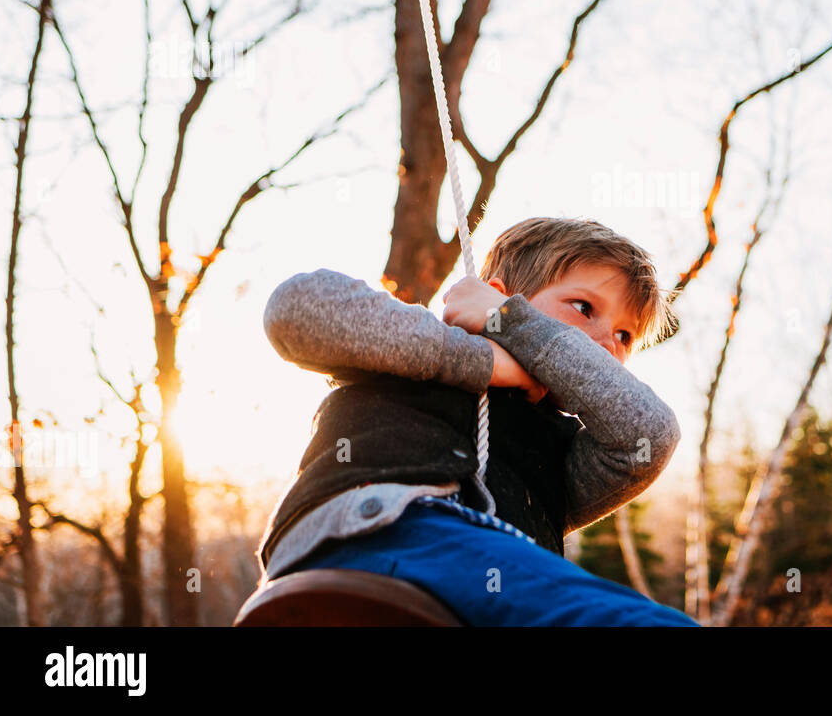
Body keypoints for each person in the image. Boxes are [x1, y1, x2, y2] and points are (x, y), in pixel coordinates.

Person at [251, 216, 699, 626]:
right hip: (376, 531)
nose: (608, 347)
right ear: (498, 298)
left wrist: (524, 336)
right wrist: (488, 354)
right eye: (583, 308)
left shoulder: (567, 455)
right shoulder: (413, 352)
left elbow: (650, 433)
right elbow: (296, 309)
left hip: (483, 584)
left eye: (626, 336)